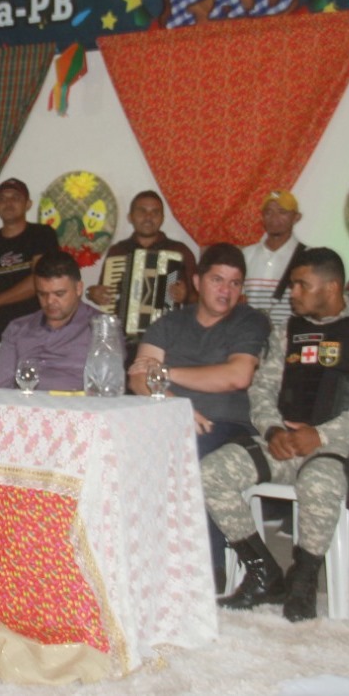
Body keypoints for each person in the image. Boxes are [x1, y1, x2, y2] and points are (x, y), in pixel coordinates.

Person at [201, 247, 349, 621]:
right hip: (285, 443)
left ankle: (304, 578)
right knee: (210, 472)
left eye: (302, 285)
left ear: (331, 287)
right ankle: (264, 573)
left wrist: (322, 435)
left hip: (340, 449)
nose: (292, 293)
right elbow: (261, 390)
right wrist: (272, 429)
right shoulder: (287, 332)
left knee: (318, 483)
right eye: (293, 284)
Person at [128, 243, 270, 587]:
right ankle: (137, 560)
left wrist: (165, 373)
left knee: (191, 451)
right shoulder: (170, 323)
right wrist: (176, 406)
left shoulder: (249, 321)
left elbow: (237, 376)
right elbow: (137, 378)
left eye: (235, 283)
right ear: (196, 281)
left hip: (229, 426)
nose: (226, 291)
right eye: (217, 280)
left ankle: (207, 570)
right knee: (121, 449)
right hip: (171, 417)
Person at [86, 191, 197, 360]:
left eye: (155, 212)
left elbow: (200, 298)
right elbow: (104, 294)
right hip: (124, 340)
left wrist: (186, 295)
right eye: (142, 211)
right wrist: (93, 293)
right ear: (130, 217)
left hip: (168, 339)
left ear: (162, 218)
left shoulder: (179, 251)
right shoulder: (118, 251)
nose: (148, 217)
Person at [0, 251, 100, 391]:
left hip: (75, 403)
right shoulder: (17, 329)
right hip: (24, 402)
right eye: (42, 294)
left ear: (78, 289)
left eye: (59, 294)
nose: (50, 301)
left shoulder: (101, 328)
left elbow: (107, 390)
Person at [0, 178, 59, 341]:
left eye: (15, 197)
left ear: (28, 204)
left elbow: (40, 279)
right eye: (3, 199)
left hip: (41, 331)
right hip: (3, 336)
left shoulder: (42, 234)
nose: (8, 203)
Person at [240, 190, 306, 327]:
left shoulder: (307, 257)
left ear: (296, 217)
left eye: (282, 212)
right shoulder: (246, 255)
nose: (274, 217)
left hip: (289, 336)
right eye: (268, 212)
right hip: (249, 336)